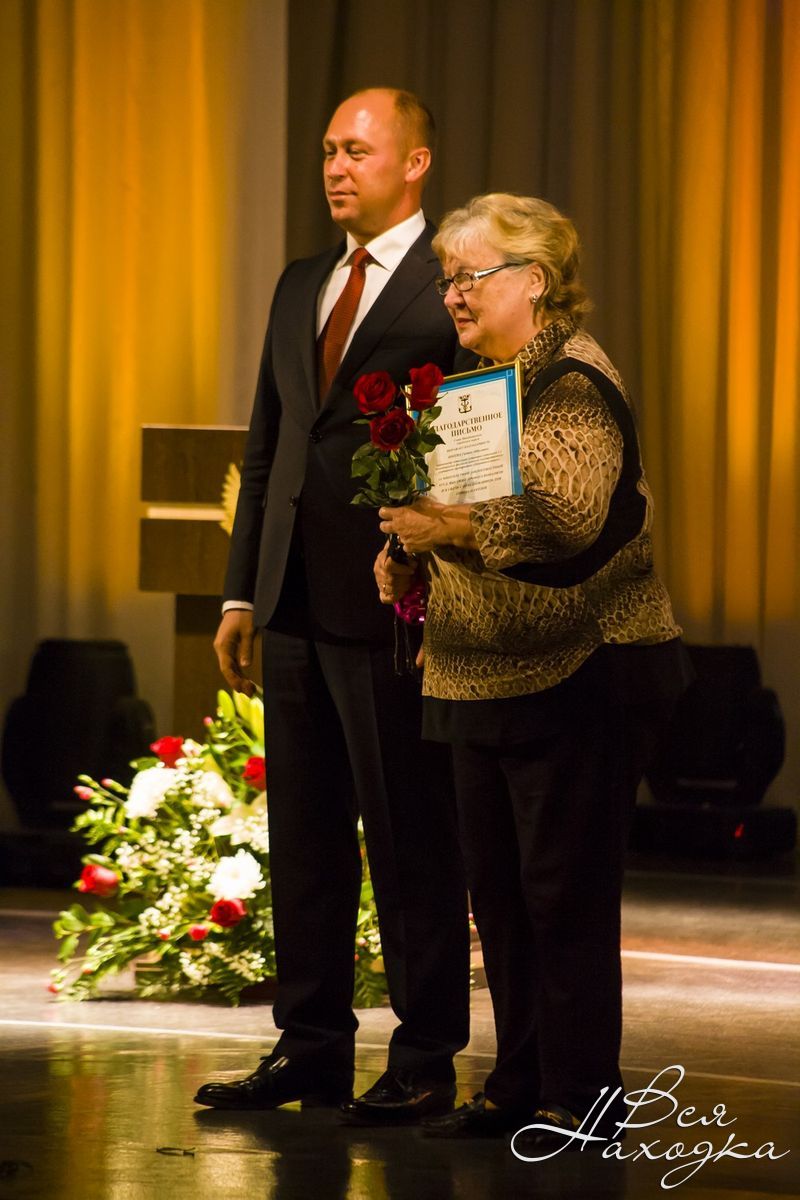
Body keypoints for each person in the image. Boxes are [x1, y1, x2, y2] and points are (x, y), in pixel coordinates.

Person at [375, 193, 691, 1144]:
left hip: (580, 674)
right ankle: (516, 1085)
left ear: (535, 280)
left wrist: (445, 528)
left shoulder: (570, 380)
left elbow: (563, 520)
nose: (453, 295)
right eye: (448, 279)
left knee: (563, 897)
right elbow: (453, 510)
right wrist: (406, 553)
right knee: (503, 901)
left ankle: (583, 1097)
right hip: (479, 677)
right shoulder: (479, 385)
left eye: (470, 276)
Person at [194, 89, 471, 1122]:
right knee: (303, 840)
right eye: (326, 151)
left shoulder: (449, 282)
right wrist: (242, 589)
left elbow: (470, 441)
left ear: (414, 162)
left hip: (395, 602)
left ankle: (425, 1054)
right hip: (293, 602)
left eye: (356, 150)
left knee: (409, 837)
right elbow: (267, 446)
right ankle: (309, 1046)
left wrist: (443, 576)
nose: (334, 167)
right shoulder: (300, 281)